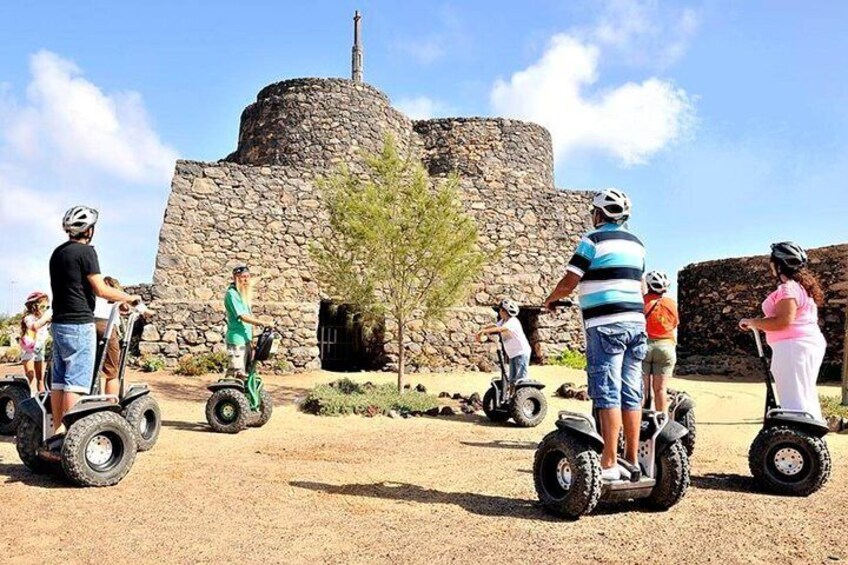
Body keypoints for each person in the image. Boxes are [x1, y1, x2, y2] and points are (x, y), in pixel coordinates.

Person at [544, 189, 646, 481]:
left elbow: (570, 280)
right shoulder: (638, 244)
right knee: (632, 392)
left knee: (608, 392)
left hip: (605, 324)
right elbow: (637, 282)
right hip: (636, 324)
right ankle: (631, 460)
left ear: (599, 214)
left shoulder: (593, 240)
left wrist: (550, 299)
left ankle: (609, 463)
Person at [48, 205, 141, 438]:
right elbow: (100, 289)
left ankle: (58, 430)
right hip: (79, 323)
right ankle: (72, 437)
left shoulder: (57, 253)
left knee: (59, 381)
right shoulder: (86, 252)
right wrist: (129, 297)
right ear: (88, 230)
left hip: (58, 322)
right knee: (75, 383)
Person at [739, 242, 826, 420]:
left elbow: (783, 321)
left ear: (777, 265)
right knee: (805, 396)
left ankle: (797, 442)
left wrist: (752, 322)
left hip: (793, 348)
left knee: (793, 402)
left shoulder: (789, 288)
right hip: (804, 345)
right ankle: (810, 442)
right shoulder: (802, 288)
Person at [642, 271, 679, 412]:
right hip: (665, 346)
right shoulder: (671, 303)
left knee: (641, 390)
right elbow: (675, 323)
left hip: (644, 346)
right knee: (660, 390)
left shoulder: (641, 302)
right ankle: (661, 425)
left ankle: (636, 425)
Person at [225, 266, 270, 377]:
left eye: (247, 277)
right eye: (243, 277)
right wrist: (262, 322)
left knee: (248, 373)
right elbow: (243, 316)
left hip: (246, 338)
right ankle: (226, 394)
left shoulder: (243, 290)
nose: (246, 280)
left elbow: (252, 282)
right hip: (237, 339)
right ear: (235, 278)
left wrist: (264, 276)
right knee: (237, 373)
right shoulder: (232, 294)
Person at [475, 299, 532, 384]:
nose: (499, 312)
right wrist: (483, 329)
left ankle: (521, 396)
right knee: (512, 380)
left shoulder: (513, 321)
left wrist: (485, 332)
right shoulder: (503, 321)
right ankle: (512, 396)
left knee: (520, 379)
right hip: (513, 354)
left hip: (521, 353)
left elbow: (500, 329)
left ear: (503, 311)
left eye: (500, 310)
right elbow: (495, 325)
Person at [93, 276, 126, 397]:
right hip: (107, 326)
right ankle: (110, 403)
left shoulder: (94, 295)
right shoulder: (115, 296)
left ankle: (91, 398)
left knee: (92, 365)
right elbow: (126, 308)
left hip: (89, 325)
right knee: (111, 370)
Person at [20, 291, 52, 393]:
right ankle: (22, 395)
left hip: (40, 349)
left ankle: (41, 397)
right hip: (29, 349)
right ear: (34, 306)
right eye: (43, 307)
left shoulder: (43, 318)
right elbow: (34, 327)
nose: (45, 310)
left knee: (41, 377)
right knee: (30, 375)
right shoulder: (29, 318)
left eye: (47, 307)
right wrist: (46, 319)